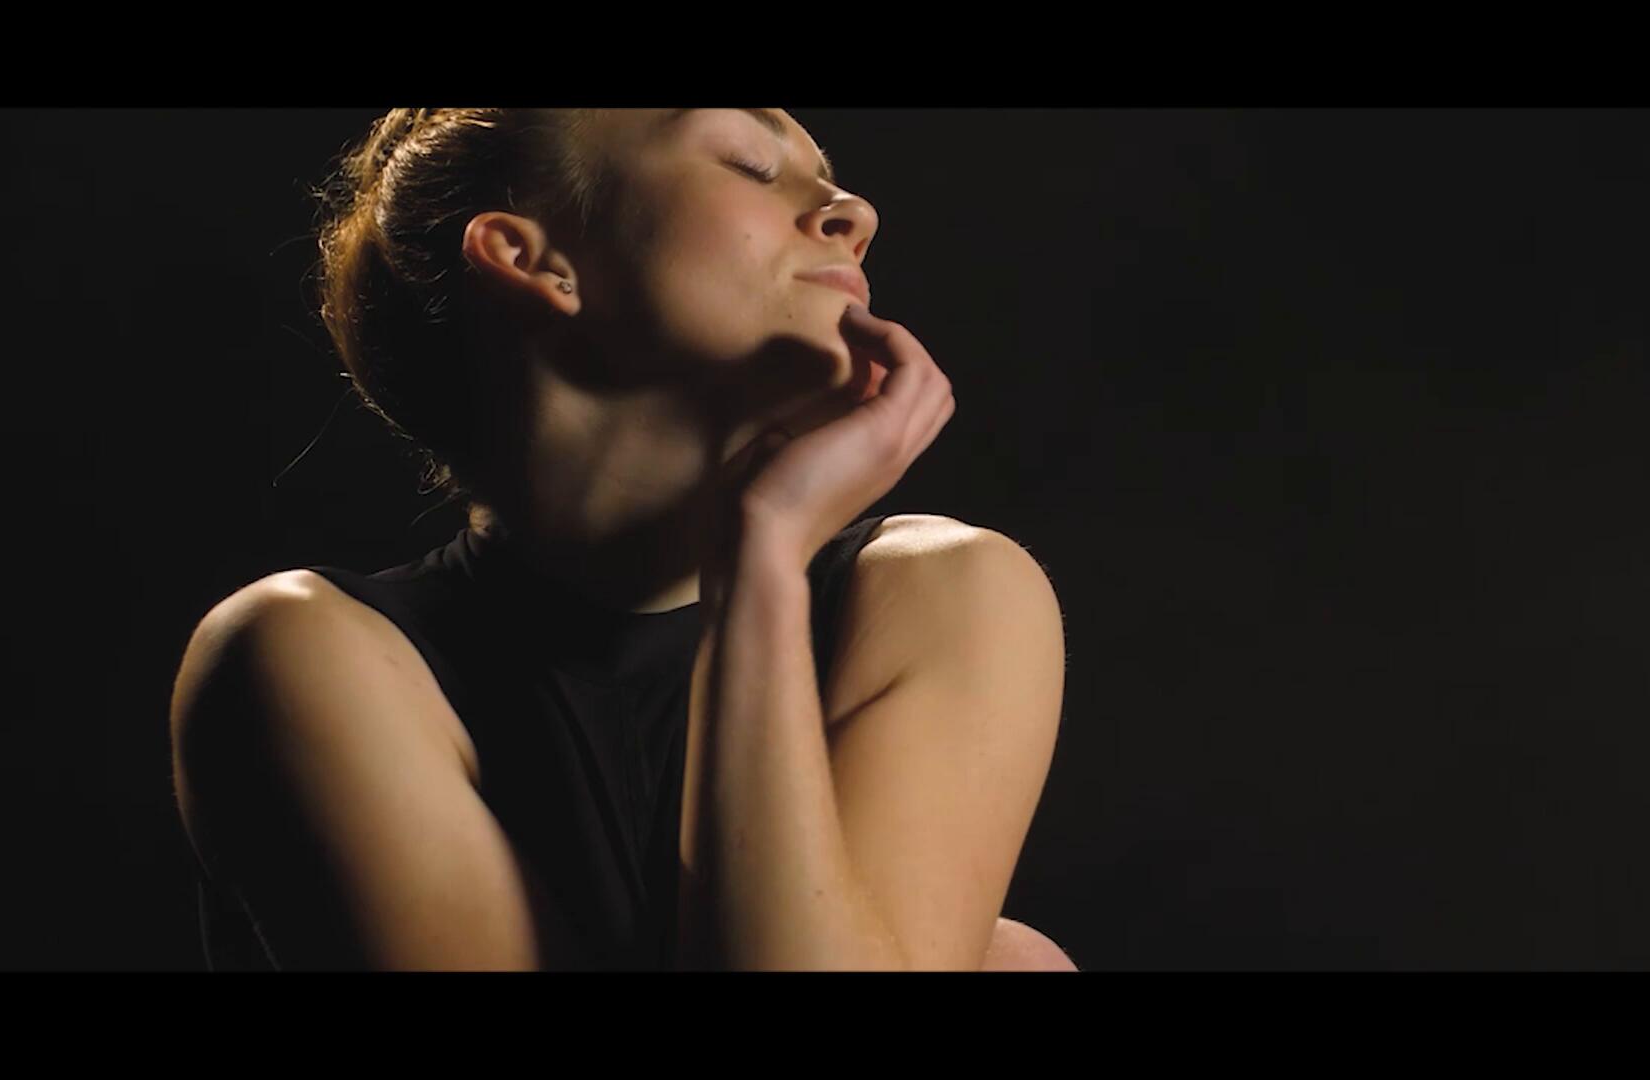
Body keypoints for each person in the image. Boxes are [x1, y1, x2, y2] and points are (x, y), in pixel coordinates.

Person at [169, 108, 1077, 971]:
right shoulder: (298, 651)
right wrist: (761, 554)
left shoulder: (946, 594)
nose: (855, 213)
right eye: (751, 165)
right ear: (534, 259)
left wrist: (762, 551)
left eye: (830, 179)